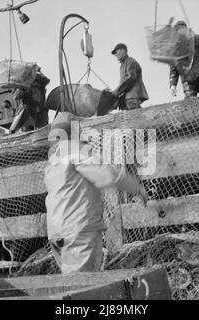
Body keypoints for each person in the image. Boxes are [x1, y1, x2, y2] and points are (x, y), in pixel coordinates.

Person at [44, 112, 148, 274]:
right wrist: (137, 188)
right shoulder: (74, 150)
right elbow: (107, 175)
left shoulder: (53, 159)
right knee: (82, 285)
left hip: (56, 231)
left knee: (71, 281)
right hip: (78, 229)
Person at [170, 21, 199, 98]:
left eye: (182, 29)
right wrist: (173, 85)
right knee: (190, 104)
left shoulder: (194, 39)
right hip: (187, 79)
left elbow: (198, 40)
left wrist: (189, 35)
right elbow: (174, 68)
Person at [111, 43, 149, 110]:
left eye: (116, 52)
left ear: (123, 51)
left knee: (135, 115)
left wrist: (116, 92)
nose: (115, 55)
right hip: (126, 98)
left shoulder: (130, 62)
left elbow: (130, 79)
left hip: (132, 96)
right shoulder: (123, 64)